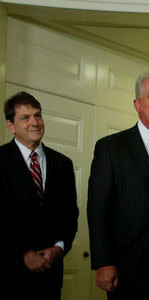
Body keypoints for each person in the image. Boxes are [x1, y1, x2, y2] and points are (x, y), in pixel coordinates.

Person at [87, 72, 149, 299]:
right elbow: (98, 209)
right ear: (137, 104)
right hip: (128, 270)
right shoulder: (111, 148)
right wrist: (103, 262)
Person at [1, 91, 79, 300]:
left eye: (37, 115)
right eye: (25, 118)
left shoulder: (63, 164)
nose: (34, 122)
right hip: (9, 277)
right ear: (11, 125)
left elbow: (70, 215)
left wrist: (59, 248)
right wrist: (22, 255)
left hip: (50, 277)